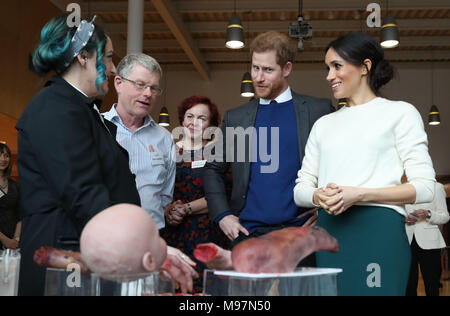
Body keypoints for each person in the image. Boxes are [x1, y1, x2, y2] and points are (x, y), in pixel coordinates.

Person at [293, 32, 436, 296]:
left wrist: (359, 194)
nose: (329, 76)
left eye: (337, 66)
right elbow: (301, 189)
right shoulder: (323, 125)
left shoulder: (400, 113)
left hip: (380, 232)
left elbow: (425, 187)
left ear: (364, 67)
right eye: (327, 68)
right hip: (330, 235)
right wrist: (318, 195)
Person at [16, 14, 141, 296]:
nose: (111, 69)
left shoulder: (80, 110)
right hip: (64, 264)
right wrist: (139, 241)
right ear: (83, 57)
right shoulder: (55, 108)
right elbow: (82, 192)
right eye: (108, 58)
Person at [202, 30, 334, 265]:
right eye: (255, 68)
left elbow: (338, 164)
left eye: (268, 70)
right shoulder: (237, 117)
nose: (258, 77)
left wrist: (324, 209)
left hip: (302, 237)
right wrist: (223, 216)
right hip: (248, 234)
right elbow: (212, 168)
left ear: (287, 69)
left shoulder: (317, 110)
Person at [160, 96, 230, 292]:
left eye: (202, 118)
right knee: (174, 285)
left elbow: (223, 194)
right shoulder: (169, 150)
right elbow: (157, 190)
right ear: (182, 120)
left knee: (206, 289)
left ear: (211, 124)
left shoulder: (218, 152)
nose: (194, 122)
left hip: (208, 232)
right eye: (190, 116)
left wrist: (187, 208)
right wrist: (169, 210)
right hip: (173, 232)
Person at [103, 53, 176, 229]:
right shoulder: (97, 127)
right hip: (105, 235)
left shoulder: (165, 138)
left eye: (154, 88)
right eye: (140, 85)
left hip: (152, 236)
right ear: (118, 83)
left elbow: (165, 195)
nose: (148, 94)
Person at [405, 181, 449, 296]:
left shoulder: (437, 187)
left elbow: (445, 216)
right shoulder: (404, 188)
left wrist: (428, 214)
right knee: (409, 285)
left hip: (430, 242)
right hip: (407, 241)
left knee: (432, 284)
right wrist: (404, 219)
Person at [0, 143, 21, 250]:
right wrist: (4, 239)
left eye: (6, 155)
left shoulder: (15, 185)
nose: (3, 159)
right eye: (0, 155)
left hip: (13, 244)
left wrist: (16, 240)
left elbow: (20, 215)